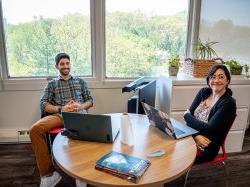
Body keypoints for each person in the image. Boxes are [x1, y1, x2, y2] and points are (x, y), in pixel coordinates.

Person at [29, 53, 93, 187]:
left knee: (87, 135)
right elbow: (43, 104)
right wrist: (61, 109)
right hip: (60, 116)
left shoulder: (80, 81)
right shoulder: (52, 84)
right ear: (57, 66)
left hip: (79, 115)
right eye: (62, 64)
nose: (65, 66)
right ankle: (49, 175)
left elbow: (90, 101)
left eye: (67, 63)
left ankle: (81, 173)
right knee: (34, 130)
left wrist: (80, 106)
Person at [184, 64, 236, 164]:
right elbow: (189, 120)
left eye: (221, 77)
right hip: (193, 137)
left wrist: (186, 116)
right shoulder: (203, 92)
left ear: (227, 81)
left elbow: (209, 129)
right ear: (209, 80)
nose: (216, 80)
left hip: (207, 146)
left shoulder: (228, 103)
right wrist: (195, 135)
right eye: (213, 77)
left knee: (176, 154)